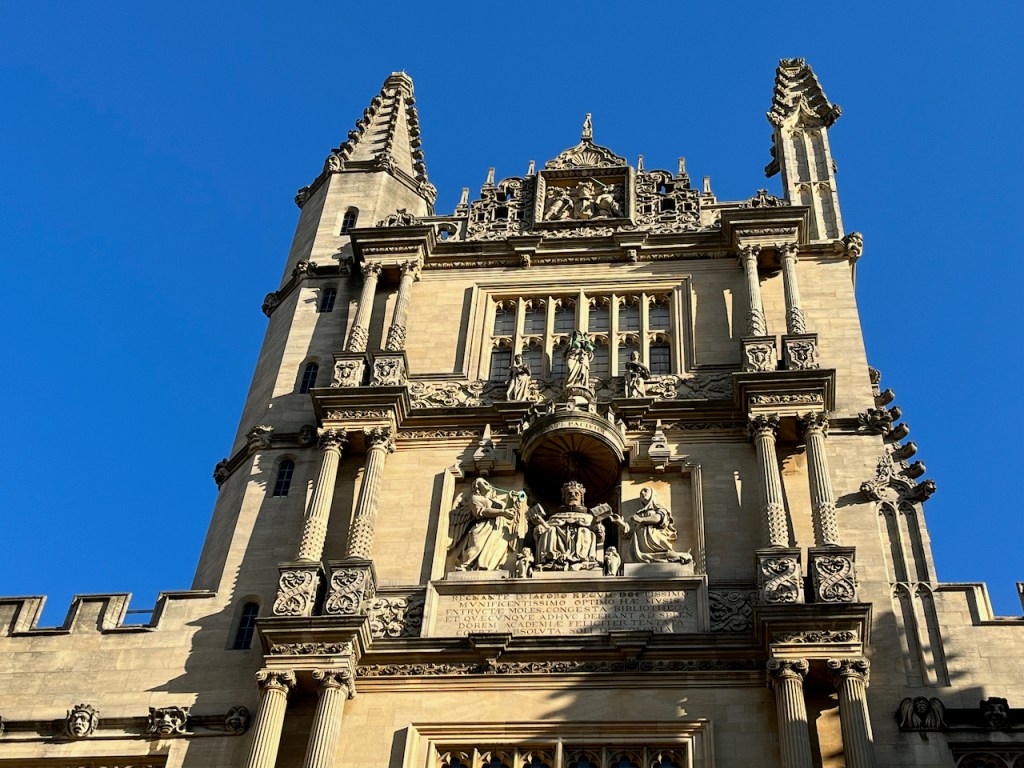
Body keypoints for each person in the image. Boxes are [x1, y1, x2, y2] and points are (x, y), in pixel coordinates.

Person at [448, 478, 525, 571]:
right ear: (477, 487)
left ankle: (491, 567)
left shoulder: (495, 500)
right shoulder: (475, 498)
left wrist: (511, 500)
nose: (487, 483)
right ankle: (467, 566)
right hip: (483, 527)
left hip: (499, 527)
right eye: (483, 482)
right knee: (477, 546)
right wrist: (503, 512)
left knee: (498, 548)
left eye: (487, 482)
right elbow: (481, 512)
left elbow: (506, 508)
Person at [625, 487, 692, 565]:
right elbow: (632, 530)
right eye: (640, 493)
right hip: (640, 542)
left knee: (664, 553)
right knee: (649, 556)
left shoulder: (659, 508)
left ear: (652, 494)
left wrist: (641, 520)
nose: (642, 493)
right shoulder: (640, 512)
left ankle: (683, 556)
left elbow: (658, 518)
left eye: (645, 491)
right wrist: (620, 523)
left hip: (653, 537)